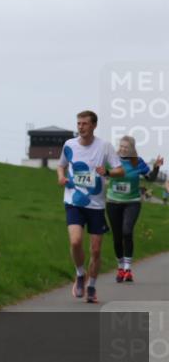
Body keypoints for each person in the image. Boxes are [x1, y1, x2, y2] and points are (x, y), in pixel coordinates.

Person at [56, 111, 125, 304]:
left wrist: (109, 171)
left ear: (94, 125)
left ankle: (92, 286)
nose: (81, 127)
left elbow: (121, 170)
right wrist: (60, 177)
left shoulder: (104, 147)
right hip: (74, 202)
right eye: (78, 124)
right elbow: (61, 165)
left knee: (95, 250)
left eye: (85, 124)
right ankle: (80, 274)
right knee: (76, 241)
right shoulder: (69, 145)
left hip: (96, 205)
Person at [106, 136, 163, 283]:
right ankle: (120, 267)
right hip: (113, 202)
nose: (124, 149)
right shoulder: (112, 160)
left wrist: (156, 167)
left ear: (132, 148)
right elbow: (102, 173)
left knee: (127, 231)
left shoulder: (137, 162)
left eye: (127, 147)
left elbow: (150, 178)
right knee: (117, 236)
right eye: (122, 146)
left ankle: (127, 269)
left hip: (132, 202)